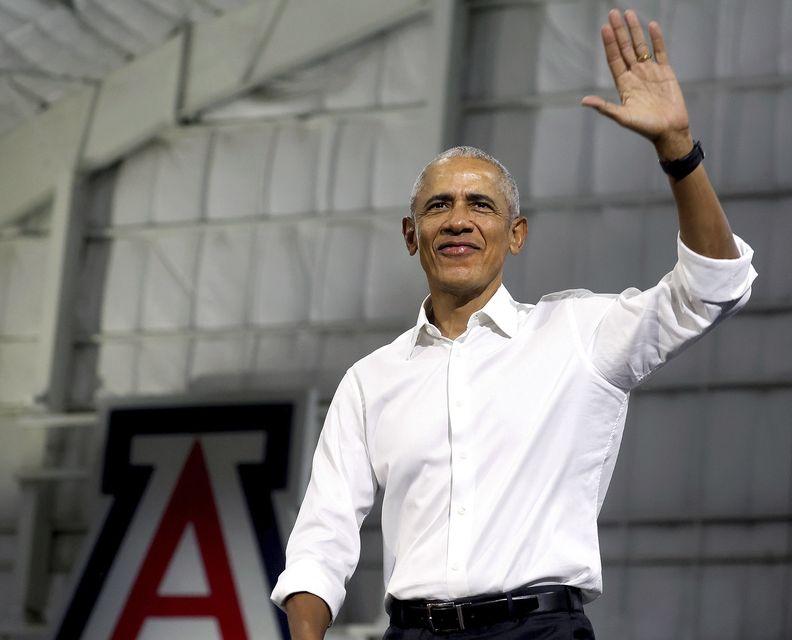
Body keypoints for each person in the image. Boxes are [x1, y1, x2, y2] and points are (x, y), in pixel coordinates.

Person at [271, 9, 757, 639]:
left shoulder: (578, 335)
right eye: (438, 206)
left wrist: (677, 151)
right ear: (410, 236)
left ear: (516, 234)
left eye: (481, 205)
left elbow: (713, 286)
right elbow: (322, 539)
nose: (457, 219)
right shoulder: (370, 382)